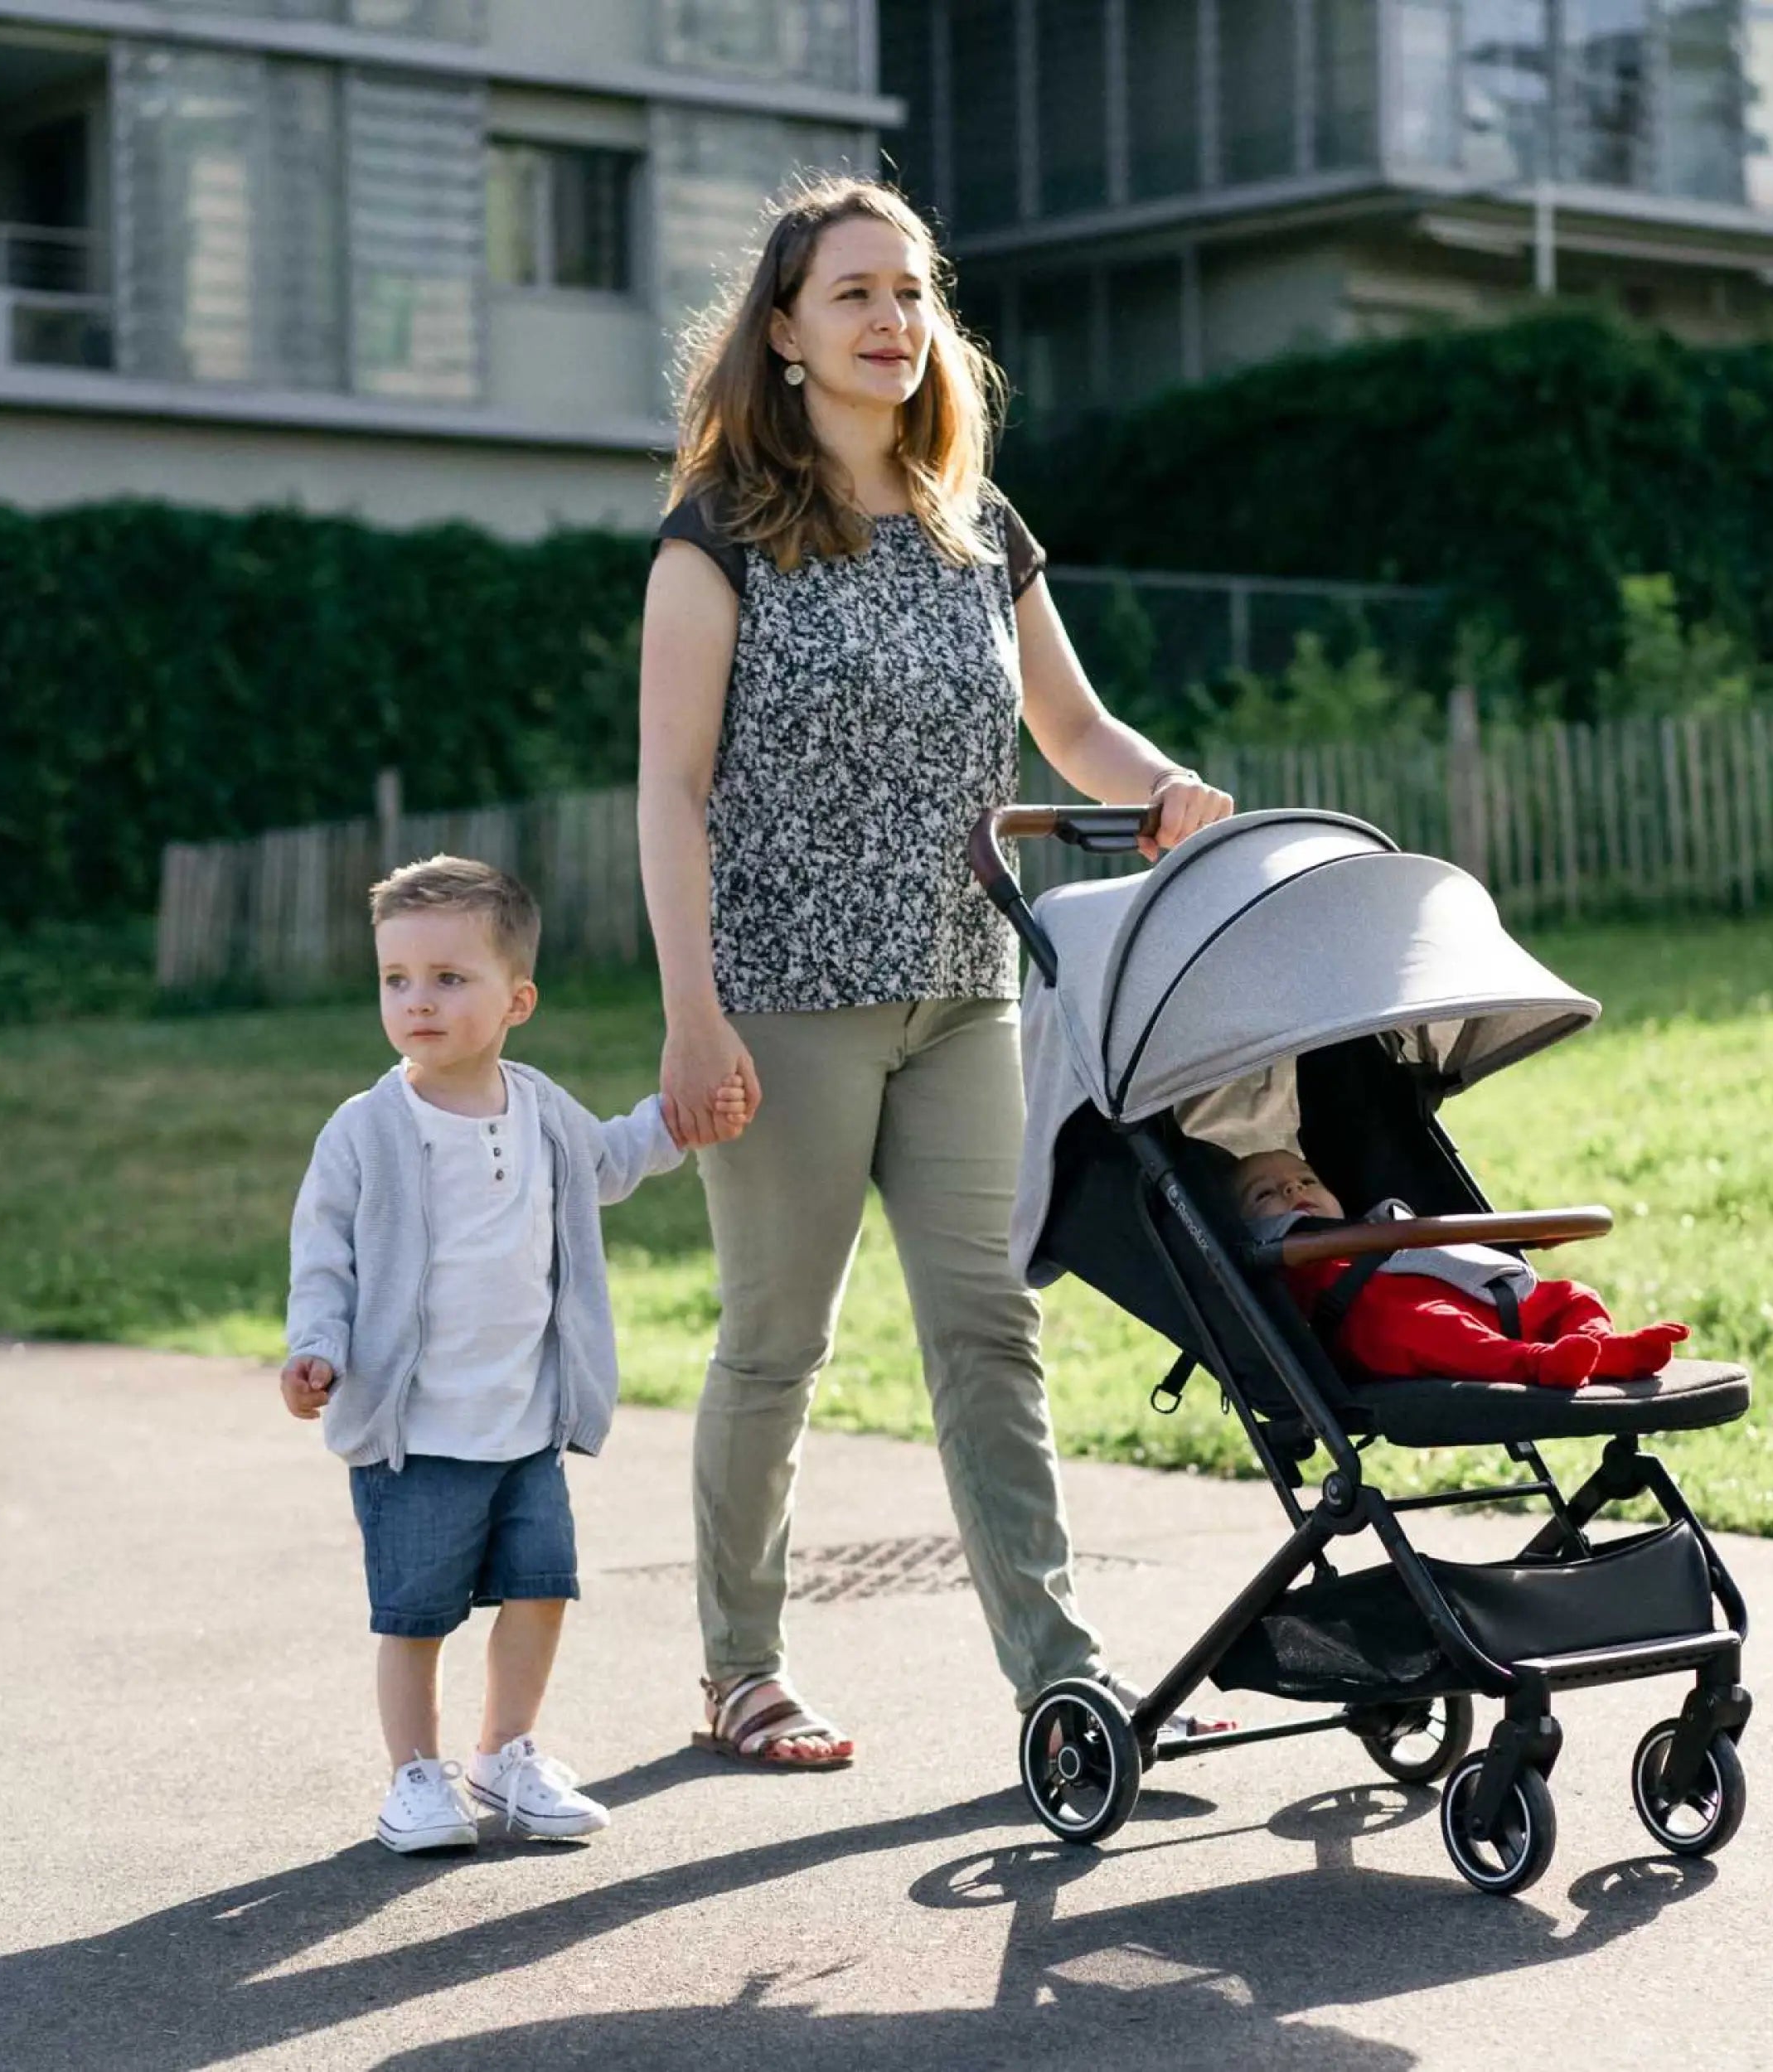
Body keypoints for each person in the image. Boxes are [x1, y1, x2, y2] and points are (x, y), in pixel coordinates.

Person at [637, 175, 1237, 1767]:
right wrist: (692, 1014)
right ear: (784, 329)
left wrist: (1165, 788)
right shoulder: (720, 536)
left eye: (911, 293)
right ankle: (741, 1669)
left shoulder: (979, 527)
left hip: (968, 983)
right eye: (853, 295)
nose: (893, 321)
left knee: (991, 1329)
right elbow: (671, 792)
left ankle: (1063, 1677)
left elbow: (1075, 727)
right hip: (781, 998)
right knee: (779, 1340)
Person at [280, 855, 747, 1852]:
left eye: (450, 979)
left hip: (525, 1423)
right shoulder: (365, 1131)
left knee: (541, 1593)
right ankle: (415, 1776)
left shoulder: (538, 1111)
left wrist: (680, 1118)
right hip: (416, 1434)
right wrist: (315, 1347)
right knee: (415, 1615)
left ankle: (507, 1754)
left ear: (516, 999)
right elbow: (322, 1257)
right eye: (396, 980)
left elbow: (612, 1162)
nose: (418, 1001)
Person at [1235, 1149, 1689, 1389]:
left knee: (1572, 1294)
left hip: (1482, 1299)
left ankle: (1600, 1348)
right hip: (1401, 1328)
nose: (1294, 1187)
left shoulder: (1374, 1221)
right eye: (1265, 1194)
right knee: (1432, 1327)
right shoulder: (1287, 1259)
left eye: (1307, 1179)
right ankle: (1535, 1364)